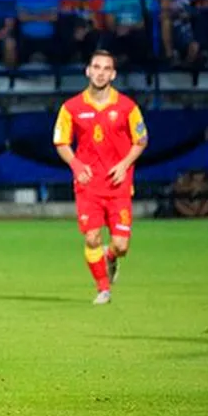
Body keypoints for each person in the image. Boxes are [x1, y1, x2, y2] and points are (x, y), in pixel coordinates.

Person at [52, 51, 148, 305]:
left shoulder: (127, 106)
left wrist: (124, 164)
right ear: (88, 71)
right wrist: (75, 164)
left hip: (119, 184)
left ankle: (111, 256)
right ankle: (103, 289)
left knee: (121, 245)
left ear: (113, 74)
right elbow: (60, 141)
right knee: (92, 236)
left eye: (107, 68)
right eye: (97, 66)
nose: (101, 72)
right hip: (88, 184)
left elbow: (142, 139)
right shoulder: (71, 107)